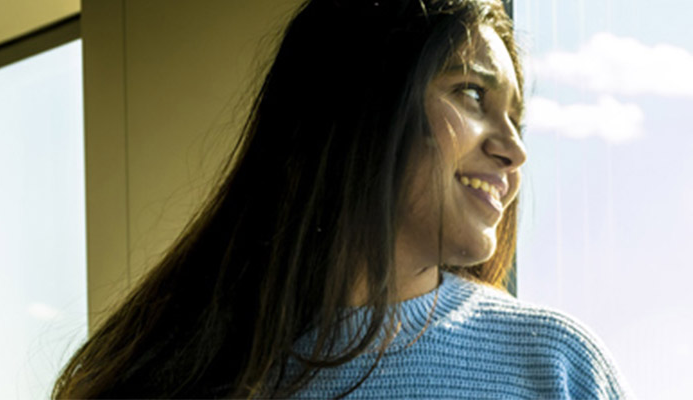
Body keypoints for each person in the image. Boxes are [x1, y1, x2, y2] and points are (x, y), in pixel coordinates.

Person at [53, 0, 625, 398]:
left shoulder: (557, 367)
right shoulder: (180, 376)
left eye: (515, 118)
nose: (514, 150)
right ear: (362, 107)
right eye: (472, 94)